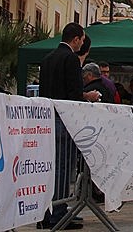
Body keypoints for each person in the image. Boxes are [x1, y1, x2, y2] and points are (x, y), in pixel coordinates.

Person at [39, 22, 100, 230]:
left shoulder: (48, 59)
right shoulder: (71, 59)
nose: (82, 44)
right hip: (64, 120)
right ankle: (58, 213)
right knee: (63, 169)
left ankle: (46, 213)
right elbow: (73, 94)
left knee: (50, 168)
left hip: (47, 118)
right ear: (75, 39)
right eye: (81, 40)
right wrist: (87, 97)